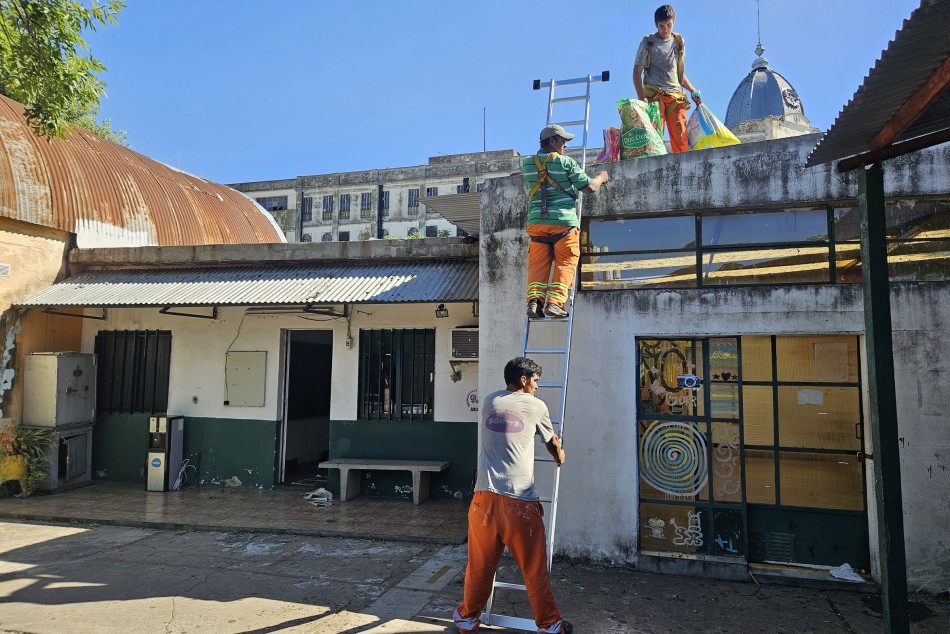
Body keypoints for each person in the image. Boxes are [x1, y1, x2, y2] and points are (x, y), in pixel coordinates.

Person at [453, 357, 571, 634]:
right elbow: (551, 442)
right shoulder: (536, 406)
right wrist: (560, 456)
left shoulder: (489, 401)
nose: (537, 387)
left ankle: (467, 620)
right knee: (533, 569)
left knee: (480, 567)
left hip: (482, 500)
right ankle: (550, 624)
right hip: (518, 502)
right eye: (536, 381)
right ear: (523, 380)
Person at [522, 124, 609, 319]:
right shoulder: (565, 163)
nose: (565, 146)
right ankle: (555, 303)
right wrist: (601, 177)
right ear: (552, 141)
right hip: (563, 224)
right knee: (566, 262)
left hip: (537, 224)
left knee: (537, 265)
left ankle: (535, 303)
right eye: (562, 141)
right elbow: (589, 188)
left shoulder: (527, 163)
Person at [633, 4, 702, 153]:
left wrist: (692, 90)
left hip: (675, 95)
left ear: (674, 22)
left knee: (681, 135)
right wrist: (641, 95)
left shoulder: (678, 42)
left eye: (668, 25)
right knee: (655, 136)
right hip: (654, 94)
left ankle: (683, 168)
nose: (665, 29)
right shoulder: (648, 42)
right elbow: (636, 71)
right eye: (661, 26)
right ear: (656, 24)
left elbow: (679, 73)